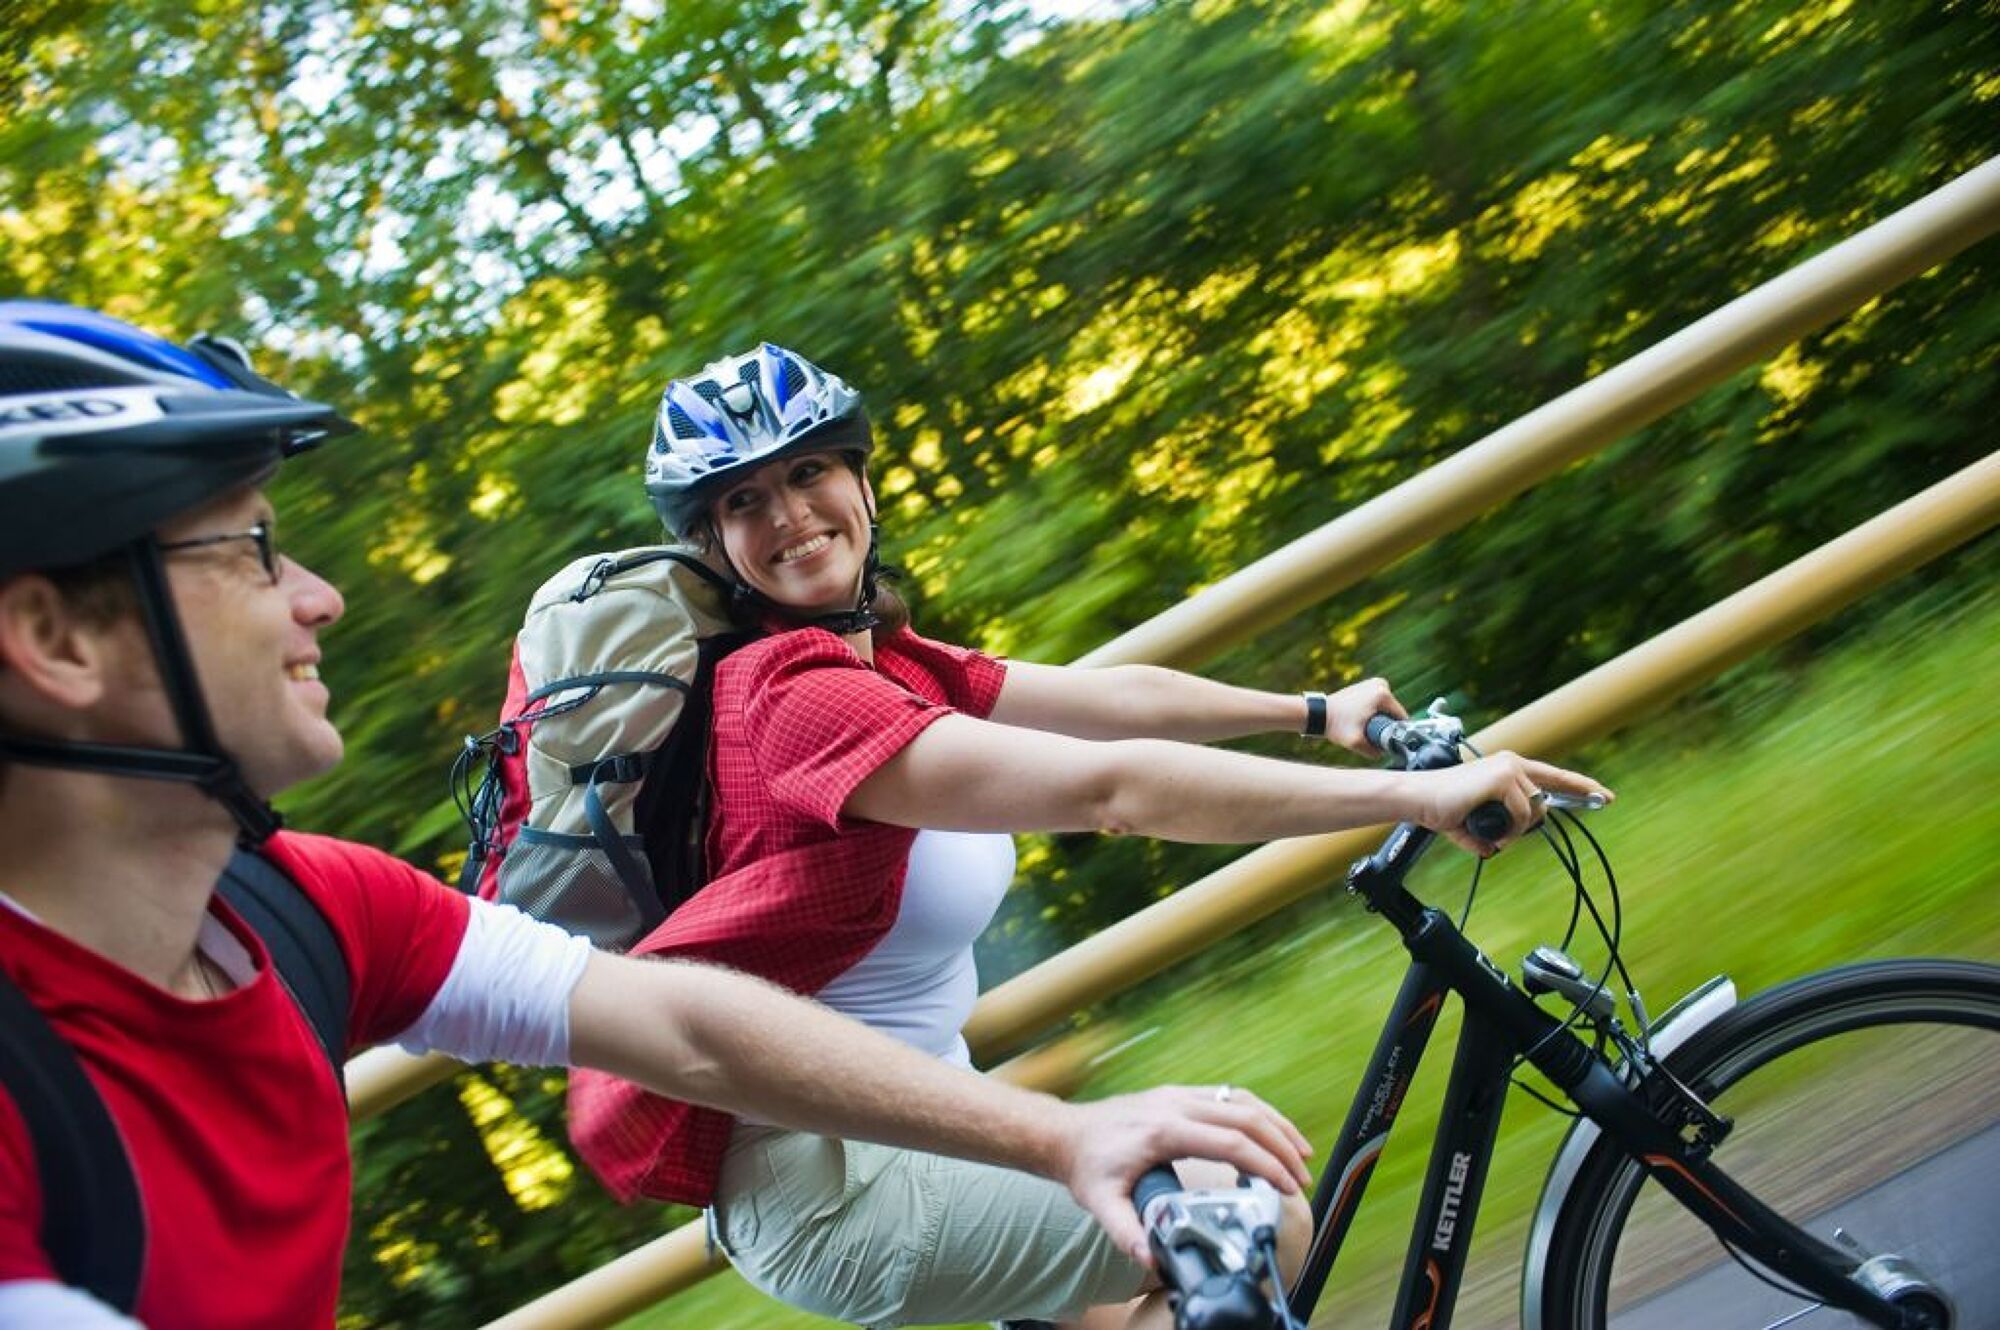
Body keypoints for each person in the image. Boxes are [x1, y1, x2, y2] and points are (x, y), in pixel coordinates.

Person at [0, 303, 1316, 1330]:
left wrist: (1068, 1133)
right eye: (252, 550)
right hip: (828, 1191)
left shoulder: (313, 907)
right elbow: (1108, 785)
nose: (322, 595)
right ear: (52, 635)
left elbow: (675, 1015)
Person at [567, 343, 1612, 1329]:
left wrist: (1313, 710)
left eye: (806, 473)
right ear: (712, 545)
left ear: (862, 482)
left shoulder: (880, 658)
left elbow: (1109, 704)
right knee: (1244, 1201)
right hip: (833, 1182)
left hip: (928, 1120)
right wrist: (1411, 800)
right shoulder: (789, 699)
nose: (789, 515)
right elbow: (1114, 789)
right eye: (743, 501)